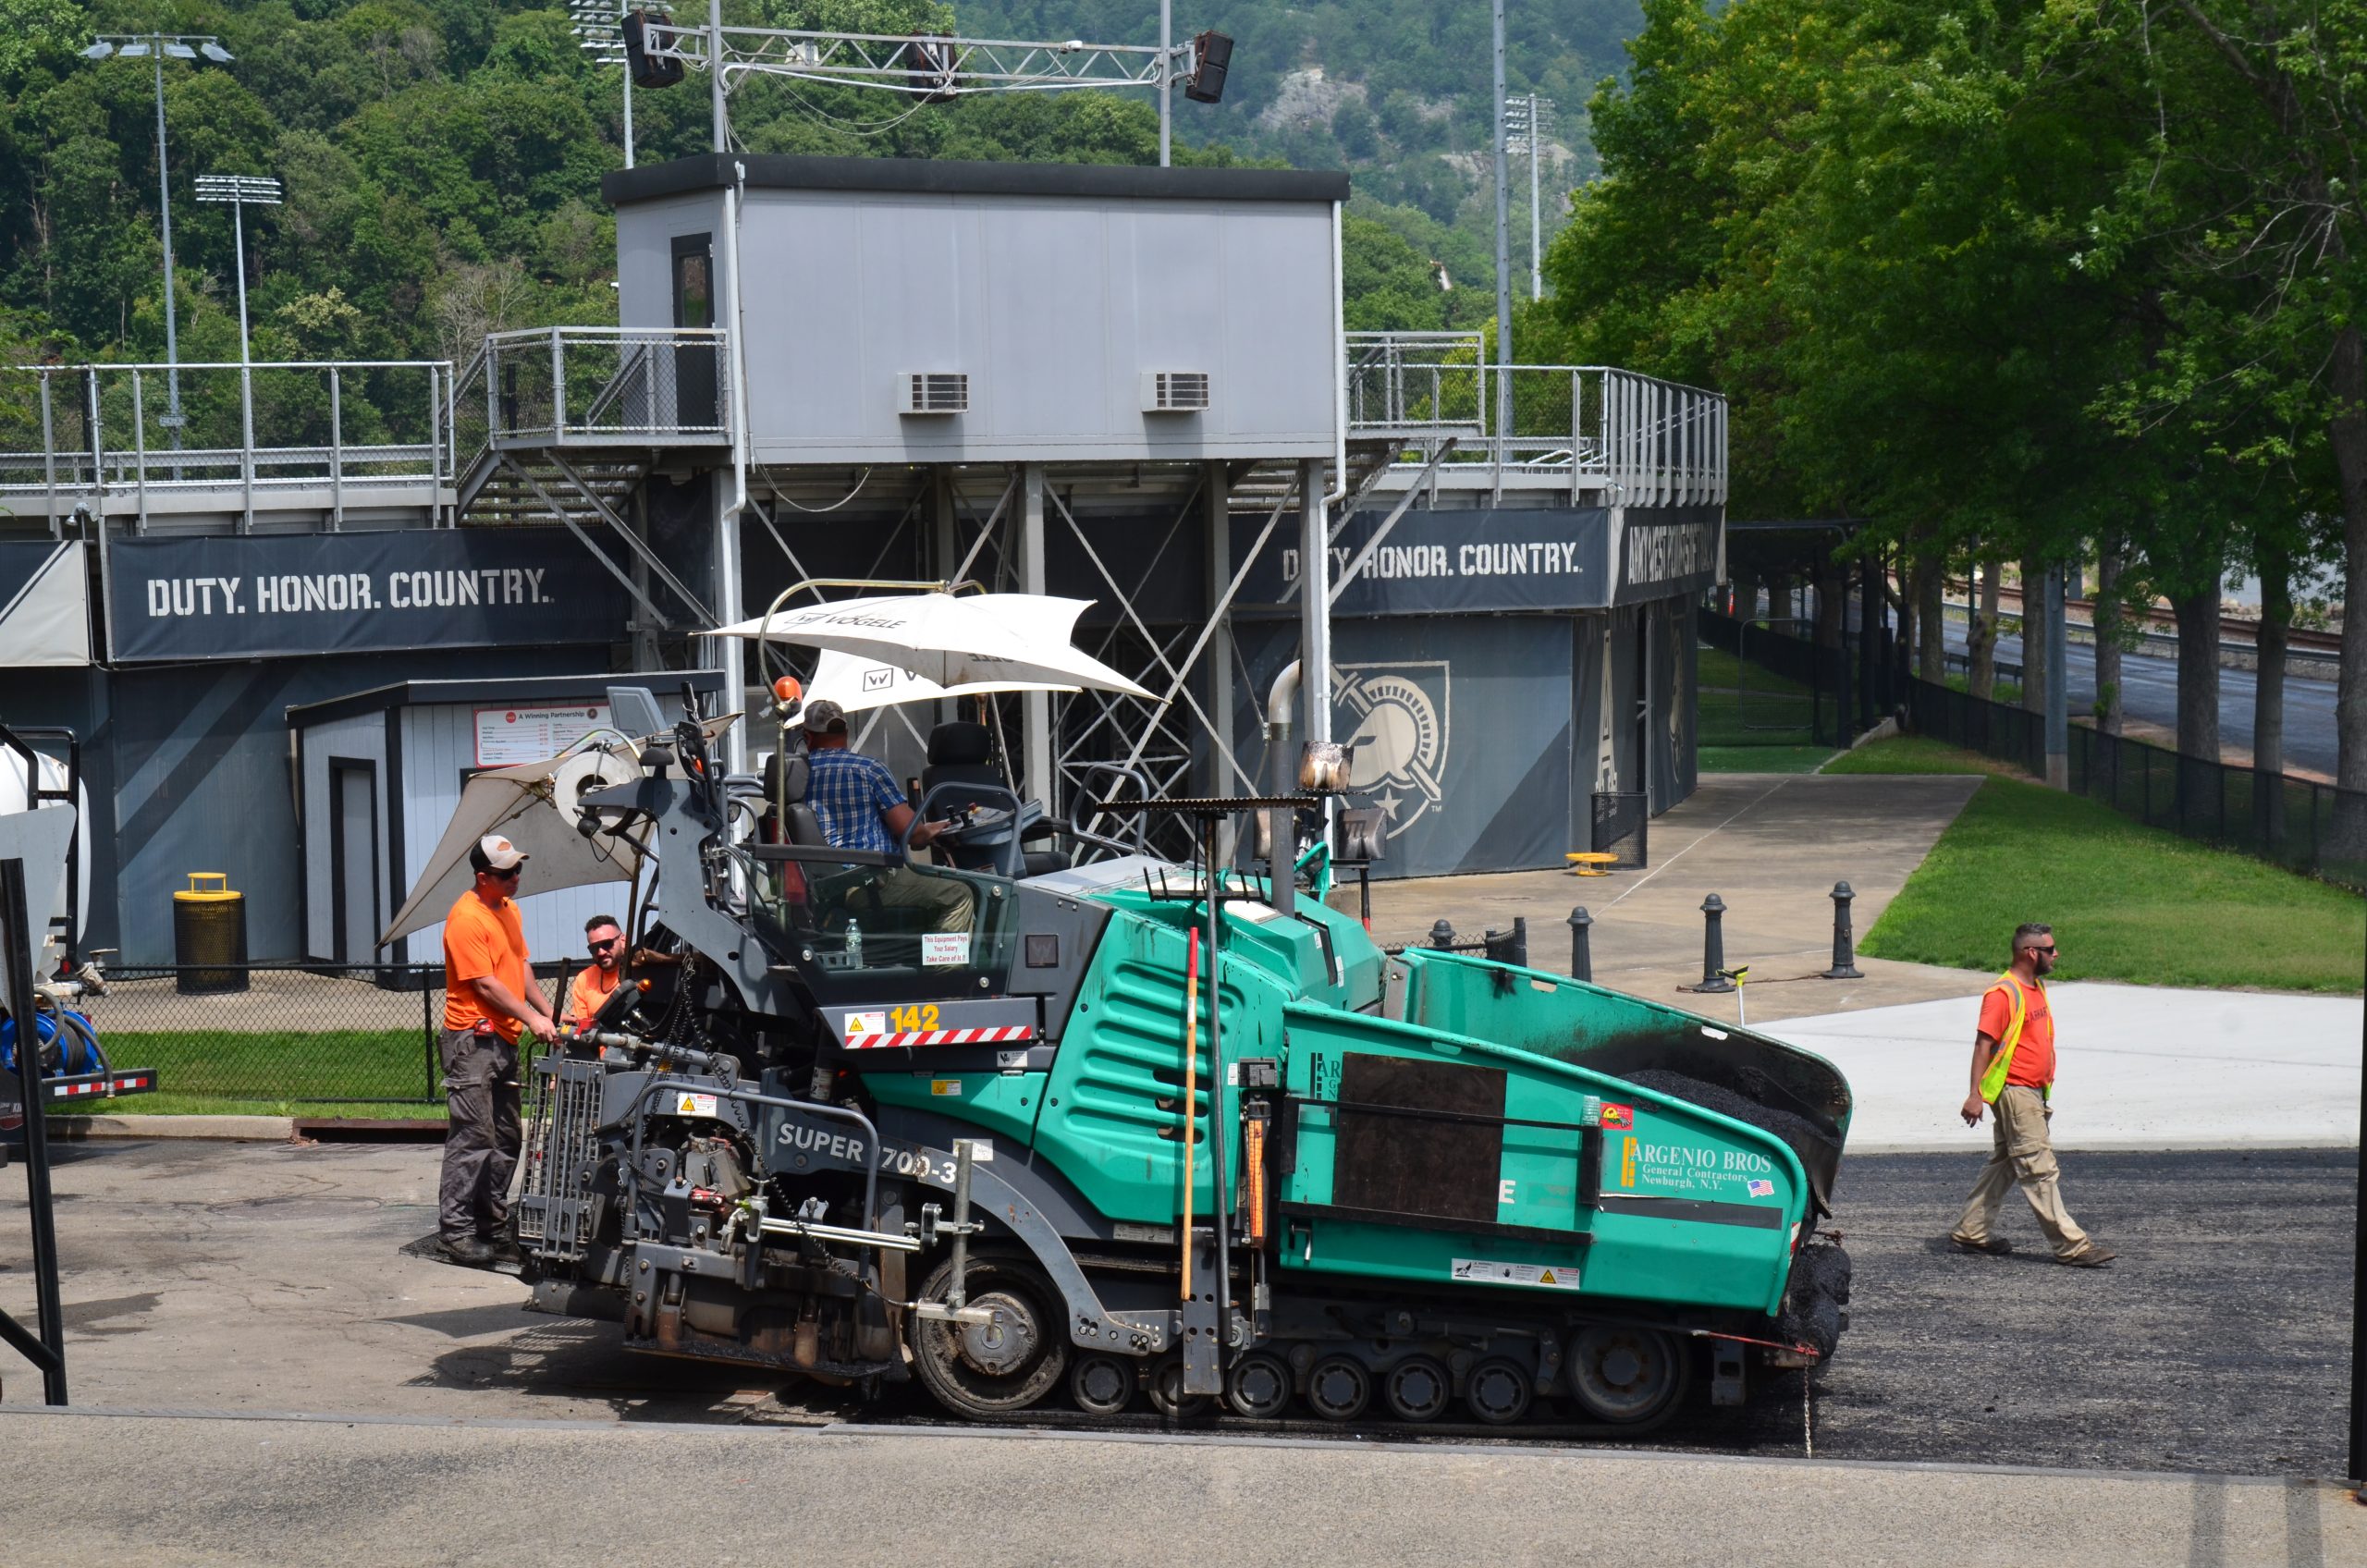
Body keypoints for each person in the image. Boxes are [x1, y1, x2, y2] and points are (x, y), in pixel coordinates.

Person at [1950, 922, 2114, 1268]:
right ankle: (2072, 1246)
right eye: (2050, 949)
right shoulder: (2002, 994)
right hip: (2015, 1092)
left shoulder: (2036, 987)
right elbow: (1983, 1045)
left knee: (2007, 1162)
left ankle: (1971, 1231)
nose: (2056, 954)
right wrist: (1975, 1095)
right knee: (2038, 1168)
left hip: (2033, 1091)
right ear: (2030, 952)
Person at [437, 833, 557, 1267]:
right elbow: (485, 985)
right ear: (483, 876)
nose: (516, 878)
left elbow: (519, 966)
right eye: (507, 873)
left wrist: (548, 1013)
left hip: (503, 1037)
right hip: (471, 1039)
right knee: (474, 1136)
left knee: (507, 1136)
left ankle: (492, 1225)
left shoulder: (509, 909)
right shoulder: (466, 918)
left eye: (518, 869)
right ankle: (456, 1232)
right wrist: (531, 1019)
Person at [801, 699, 975, 937]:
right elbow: (912, 834)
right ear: (846, 731)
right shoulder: (868, 769)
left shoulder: (795, 777)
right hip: (867, 883)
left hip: (821, 886)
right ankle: (942, 961)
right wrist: (929, 830)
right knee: (960, 892)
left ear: (807, 736)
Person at [564, 913, 625, 1032]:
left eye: (607, 944)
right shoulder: (584, 978)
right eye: (594, 948)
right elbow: (583, 1028)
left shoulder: (640, 970)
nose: (601, 952)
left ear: (623, 940)